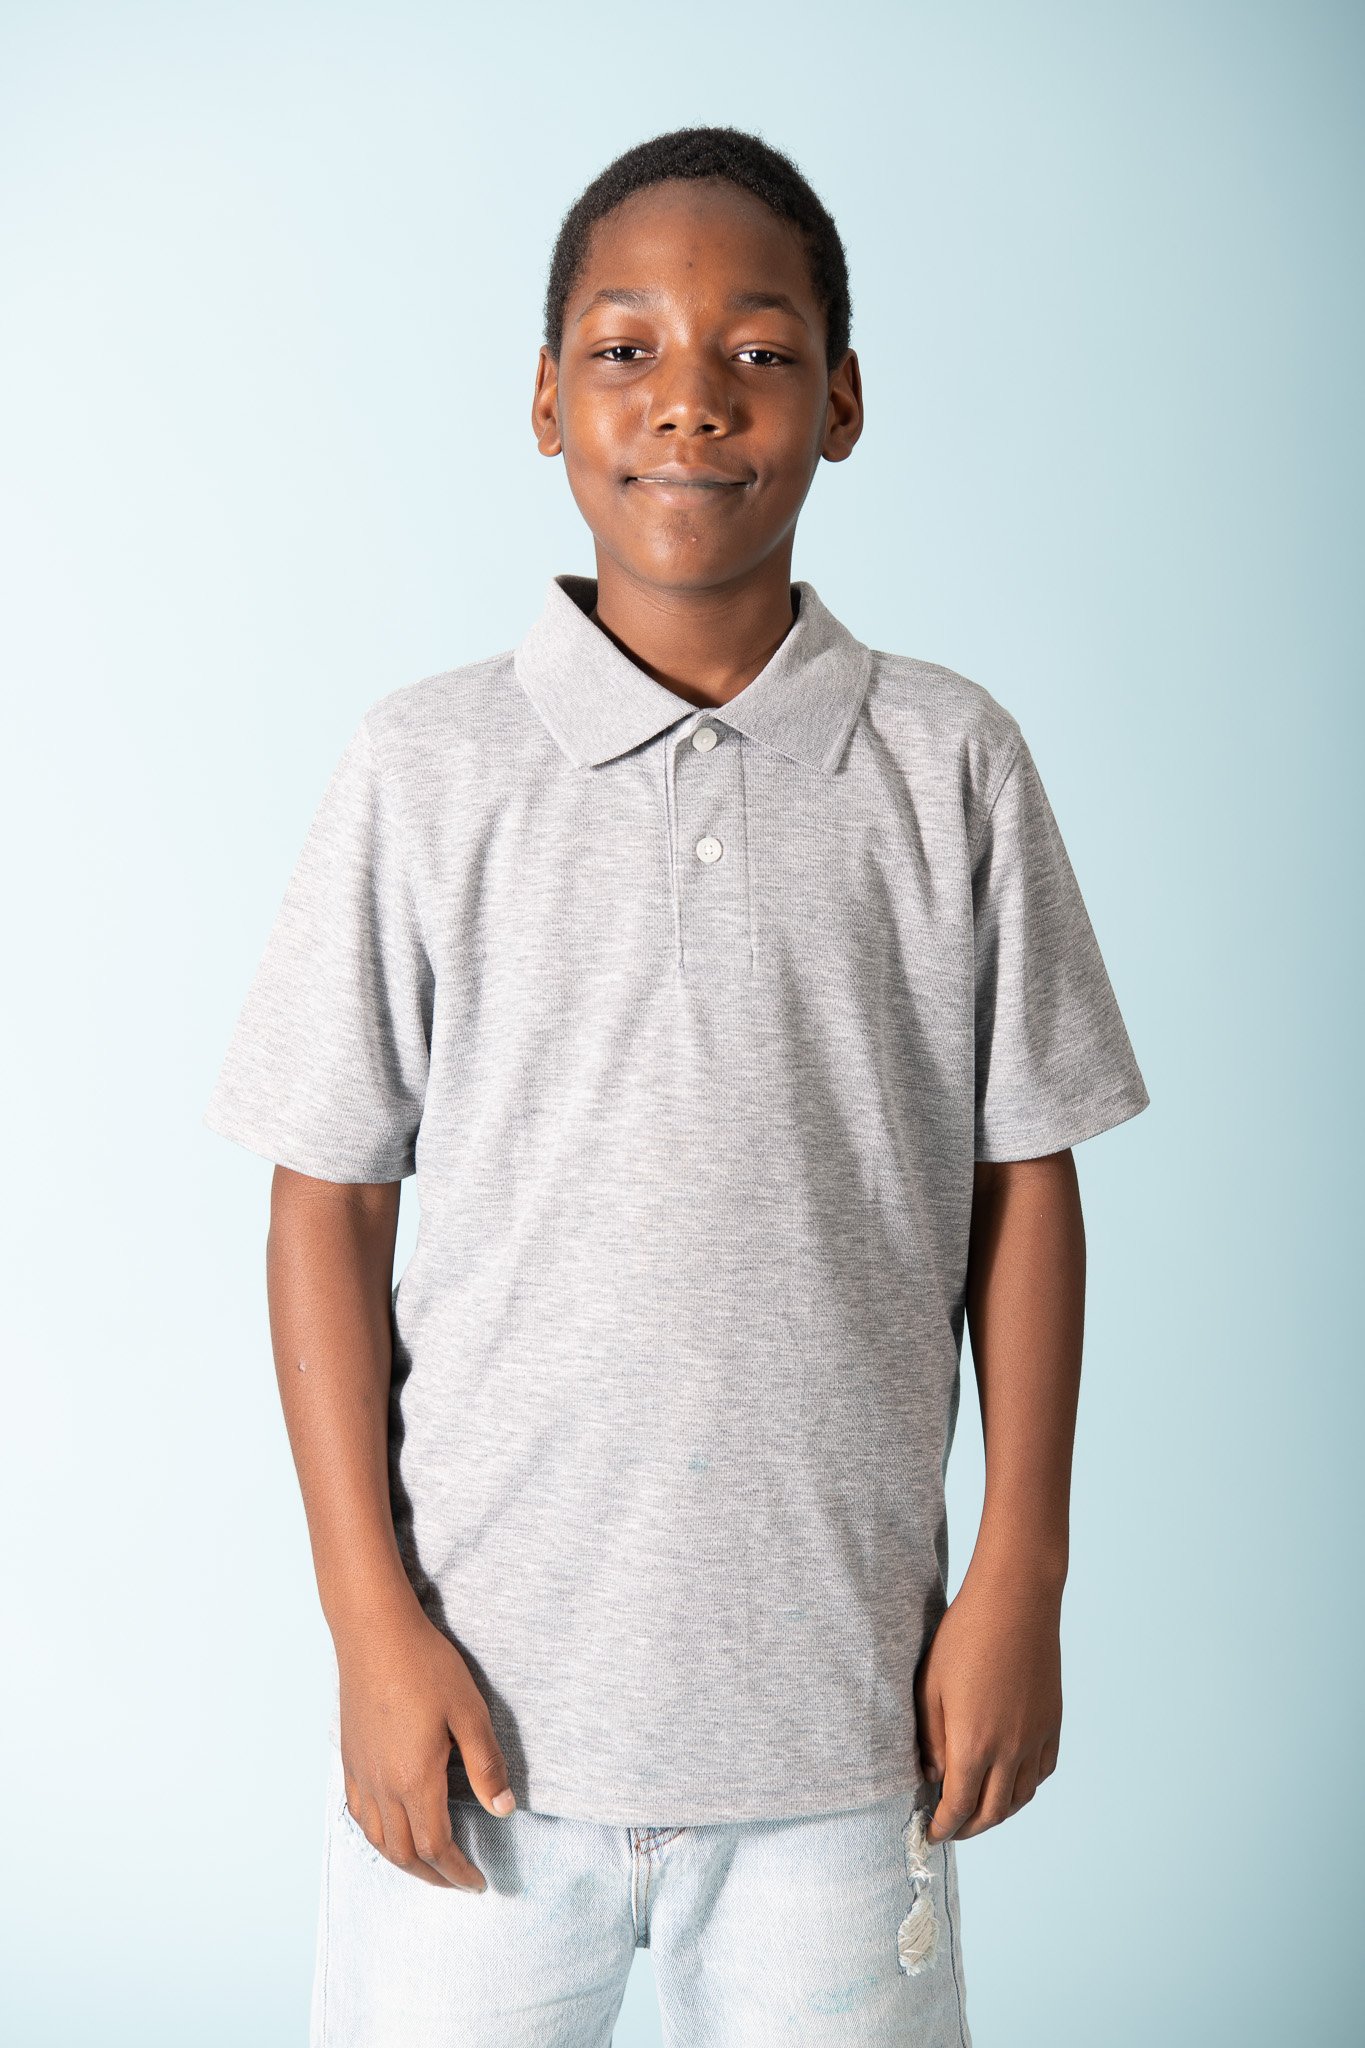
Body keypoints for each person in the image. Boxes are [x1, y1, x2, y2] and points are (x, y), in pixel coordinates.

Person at [204, 123, 1150, 2048]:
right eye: (625, 350)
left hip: (842, 1730)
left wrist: (1018, 1580)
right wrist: (366, 1628)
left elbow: (1022, 1183)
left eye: (760, 350)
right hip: (475, 1736)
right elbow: (327, 1200)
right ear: (545, 399)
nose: (692, 401)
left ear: (845, 400)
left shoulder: (950, 764)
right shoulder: (424, 768)